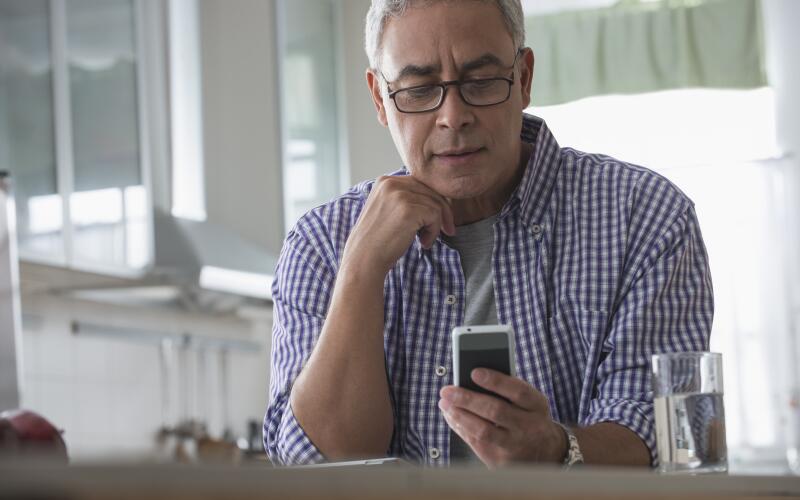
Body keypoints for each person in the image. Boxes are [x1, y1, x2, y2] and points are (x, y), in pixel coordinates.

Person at [264, 0, 712, 468]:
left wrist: (556, 449)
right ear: (380, 98)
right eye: (418, 89)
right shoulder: (322, 243)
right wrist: (361, 266)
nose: (453, 116)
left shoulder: (643, 216)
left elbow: (666, 434)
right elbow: (315, 462)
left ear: (523, 79)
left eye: (480, 83)